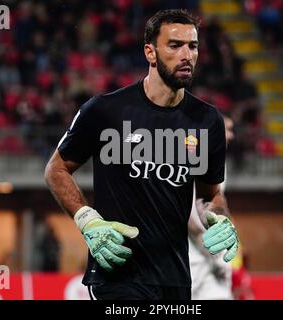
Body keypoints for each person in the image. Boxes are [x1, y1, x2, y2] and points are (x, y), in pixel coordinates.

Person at [45, 9, 239, 300]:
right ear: (150, 52)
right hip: (118, 274)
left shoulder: (207, 120)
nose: (187, 54)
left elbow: (209, 194)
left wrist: (220, 216)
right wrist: (88, 220)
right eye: (175, 45)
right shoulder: (105, 110)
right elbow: (56, 170)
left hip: (176, 279)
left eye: (193, 46)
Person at [188, 116, 234, 300]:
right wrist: (208, 246)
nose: (231, 135)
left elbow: (218, 204)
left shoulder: (218, 163)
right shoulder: (193, 161)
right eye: (227, 129)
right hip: (193, 258)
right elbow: (184, 213)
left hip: (212, 258)